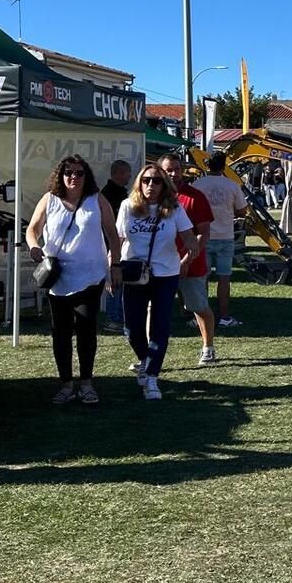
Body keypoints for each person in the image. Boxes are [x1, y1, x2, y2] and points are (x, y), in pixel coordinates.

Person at [25, 155, 121, 404]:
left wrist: (116, 264)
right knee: (61, 332)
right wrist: (34, 246)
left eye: (79, 173)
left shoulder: (96, 199)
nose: (73, 177)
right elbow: (32, 228)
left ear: (86, 176)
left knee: (87, 328)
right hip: (57, 276)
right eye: (68, 172)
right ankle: (66, 384)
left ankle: (87, 383)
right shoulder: (50, 199)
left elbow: (112, 234)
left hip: (90, 275)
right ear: (60, 175)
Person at [116, 165, 197, 400]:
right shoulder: (127, 207)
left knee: (160, 327)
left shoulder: (174, 208)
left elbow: (189, 236)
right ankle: (145, 360)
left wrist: (190, 251)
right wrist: (113, 266)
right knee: (131, 329)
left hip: (165, 274)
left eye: (157, 181)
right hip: (134, 272)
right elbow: (118, 239)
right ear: (139, 183)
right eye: (147, 180)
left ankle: (151, 376)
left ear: (164, 186)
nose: (151, 185)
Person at [158, 154, 217, 367]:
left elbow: (203, 234)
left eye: (176, 169)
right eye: (168, 170)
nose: (173, 174)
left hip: (191, 264)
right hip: (160, 265)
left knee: (198, 306)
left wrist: (186, 260)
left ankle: (208, 347)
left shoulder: (195, 197)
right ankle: (148, 355)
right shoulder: (153, 197)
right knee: (151, 308)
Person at [192, 151, 248, 329]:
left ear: (207, 165)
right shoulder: (232, 185)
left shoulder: (198, 185)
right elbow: (242, 210)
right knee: (224, 279)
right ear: (224, 166)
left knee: (202, 278)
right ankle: (224, 316)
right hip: (225, 235)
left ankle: (200, 314)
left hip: (203, 236)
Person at [99, 159, 132, 329]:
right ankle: (113, 317)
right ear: (118, 173)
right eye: (127, 173)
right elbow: (112, 226)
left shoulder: (118, 192)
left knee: (119, 282)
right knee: (115, 281)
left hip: (117, 245)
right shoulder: (111, 195)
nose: (129, 177)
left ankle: (118, 315)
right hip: (112, 245)